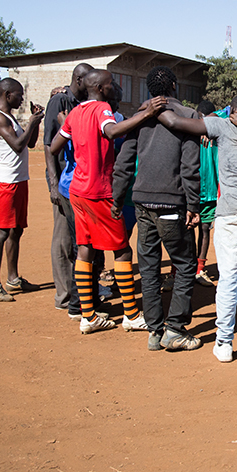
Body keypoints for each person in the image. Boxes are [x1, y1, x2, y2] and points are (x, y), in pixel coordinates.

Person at [156, 92, 237, 363]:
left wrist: (151, 107)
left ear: (233, 112)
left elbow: (173, 122)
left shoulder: (220, 125)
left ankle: (223, 343)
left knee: (228, 279)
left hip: (228, 213)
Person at [48, 69, 165, 335]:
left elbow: (55, 147)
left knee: (85, 248)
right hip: (99, 191)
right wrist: (145, 114)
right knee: (122, 251)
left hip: (76, 190)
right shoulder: (102, 109)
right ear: (101, 88)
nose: (114, 88)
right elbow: (110, 132)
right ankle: (132, 315)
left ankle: (87, 315)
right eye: (111, 85)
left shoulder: (75, 113)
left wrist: (73, 134)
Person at [113, 66, 202, 350]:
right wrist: (193, 204)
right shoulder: (187, 116)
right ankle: (175, 328)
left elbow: (124, 163)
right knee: (186, 264)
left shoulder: (139, 116)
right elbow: (190, 166)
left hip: (141, 201)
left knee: (149, 267)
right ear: (174, 86)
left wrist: (117, 198)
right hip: (172, 202)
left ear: (149, 90)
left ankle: (154, 330)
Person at [0, 78, 45, 303]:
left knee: (16, 230)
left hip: (20, 180)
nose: (22, 98)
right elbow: (17, 145)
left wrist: (36, 122)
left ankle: (13, 278)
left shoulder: (10, 117)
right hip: (6, 183)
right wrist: (31, 121)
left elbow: (29, 144)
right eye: (19, 94)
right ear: (7, 94)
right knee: (1, 232)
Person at [44, 63, 93, 317]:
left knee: (76, 239)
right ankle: (63, 295)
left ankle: (78, 292)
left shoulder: (80, 103)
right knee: (63, 239)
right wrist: (53, 184)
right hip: (62, 181)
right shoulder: (60, 101)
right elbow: (48, 145)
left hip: (77, 181)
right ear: (79, 79)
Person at [194, 100, 219, 285]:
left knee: (204, 230)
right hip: (192, 190)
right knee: (188, 231)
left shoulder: (217, 133)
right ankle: (179, 271)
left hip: (208, 190)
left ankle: (200, 269)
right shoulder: (191, 131)